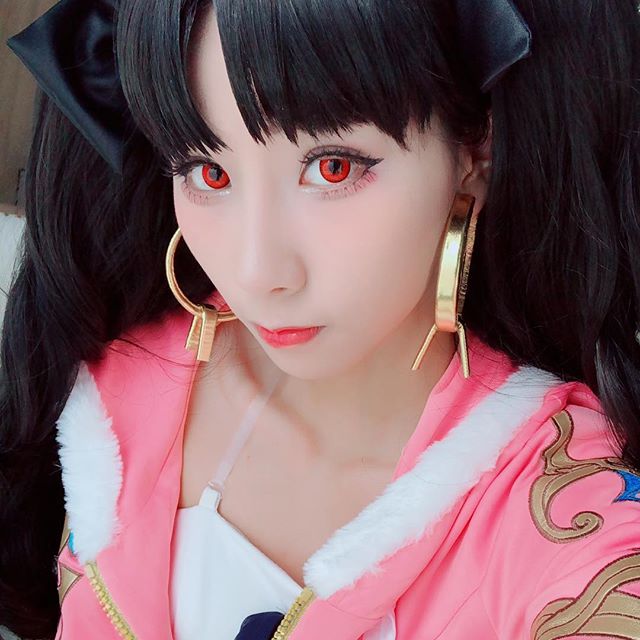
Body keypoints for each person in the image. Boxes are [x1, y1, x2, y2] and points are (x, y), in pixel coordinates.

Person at [1, 0, 639, 638]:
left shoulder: (566, 504)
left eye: (332, 168)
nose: (259, 272)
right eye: (208, 172)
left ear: (475, 149)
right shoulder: (114, 390)